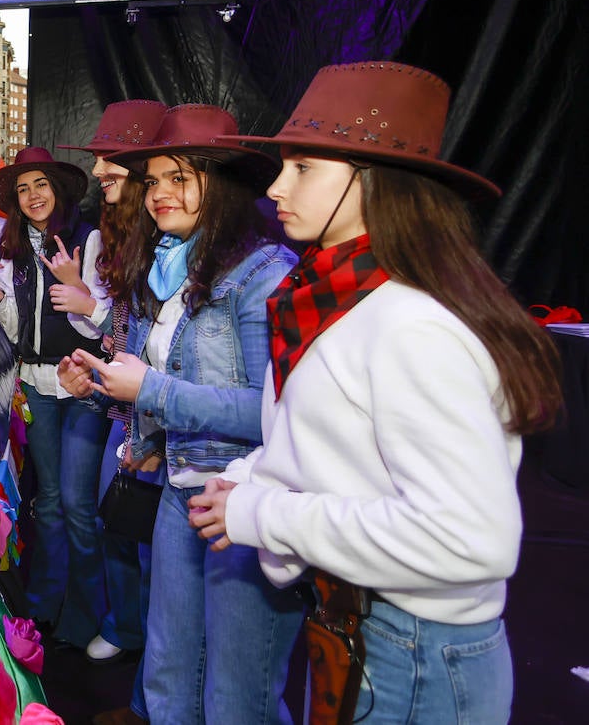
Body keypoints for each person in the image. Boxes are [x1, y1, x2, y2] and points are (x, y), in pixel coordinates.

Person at [190, 62, 562, 723]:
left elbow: (473, 538)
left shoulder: (411, 324)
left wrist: (266, 515)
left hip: (418, 652)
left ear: (373, 184)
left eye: (304, 169)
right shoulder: (337, 301)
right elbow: (337, 449)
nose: (277, 186)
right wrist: (248, 481)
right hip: (364, 630)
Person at [61, 105, 303, 724]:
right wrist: (94, 386)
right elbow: (146, 387)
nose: (160, 194)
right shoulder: (164, 266)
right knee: (167, 672)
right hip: (179, 490)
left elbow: (275, 417)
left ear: (217, 186)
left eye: (180, 178)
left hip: (247, 498)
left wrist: (152, 391)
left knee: (236, 699)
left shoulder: (263, 276)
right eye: (155, 180)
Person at [0, 146, 111, 647]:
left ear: (57, 189)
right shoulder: (12, 249)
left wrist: (80, 289)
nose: (33, 195)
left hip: (82, 387)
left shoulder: (89, 239)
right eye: (23, 188)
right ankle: (41, 608)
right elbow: (16, 333)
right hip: (35, 388)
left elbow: (106, 325)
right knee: (48, 502)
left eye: (40, 184)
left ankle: (85, 616)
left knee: (79, 506)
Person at [57, 100, 167, 687]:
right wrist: (94, 374)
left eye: (112, 165)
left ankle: (153, 652)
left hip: (159, 421)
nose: (100, 173)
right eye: (100, 163)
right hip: (127, 411)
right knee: (112, 521)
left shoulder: (172, 247)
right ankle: (129, 631)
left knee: (145, 541)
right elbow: (123, 337)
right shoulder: (115, 235)